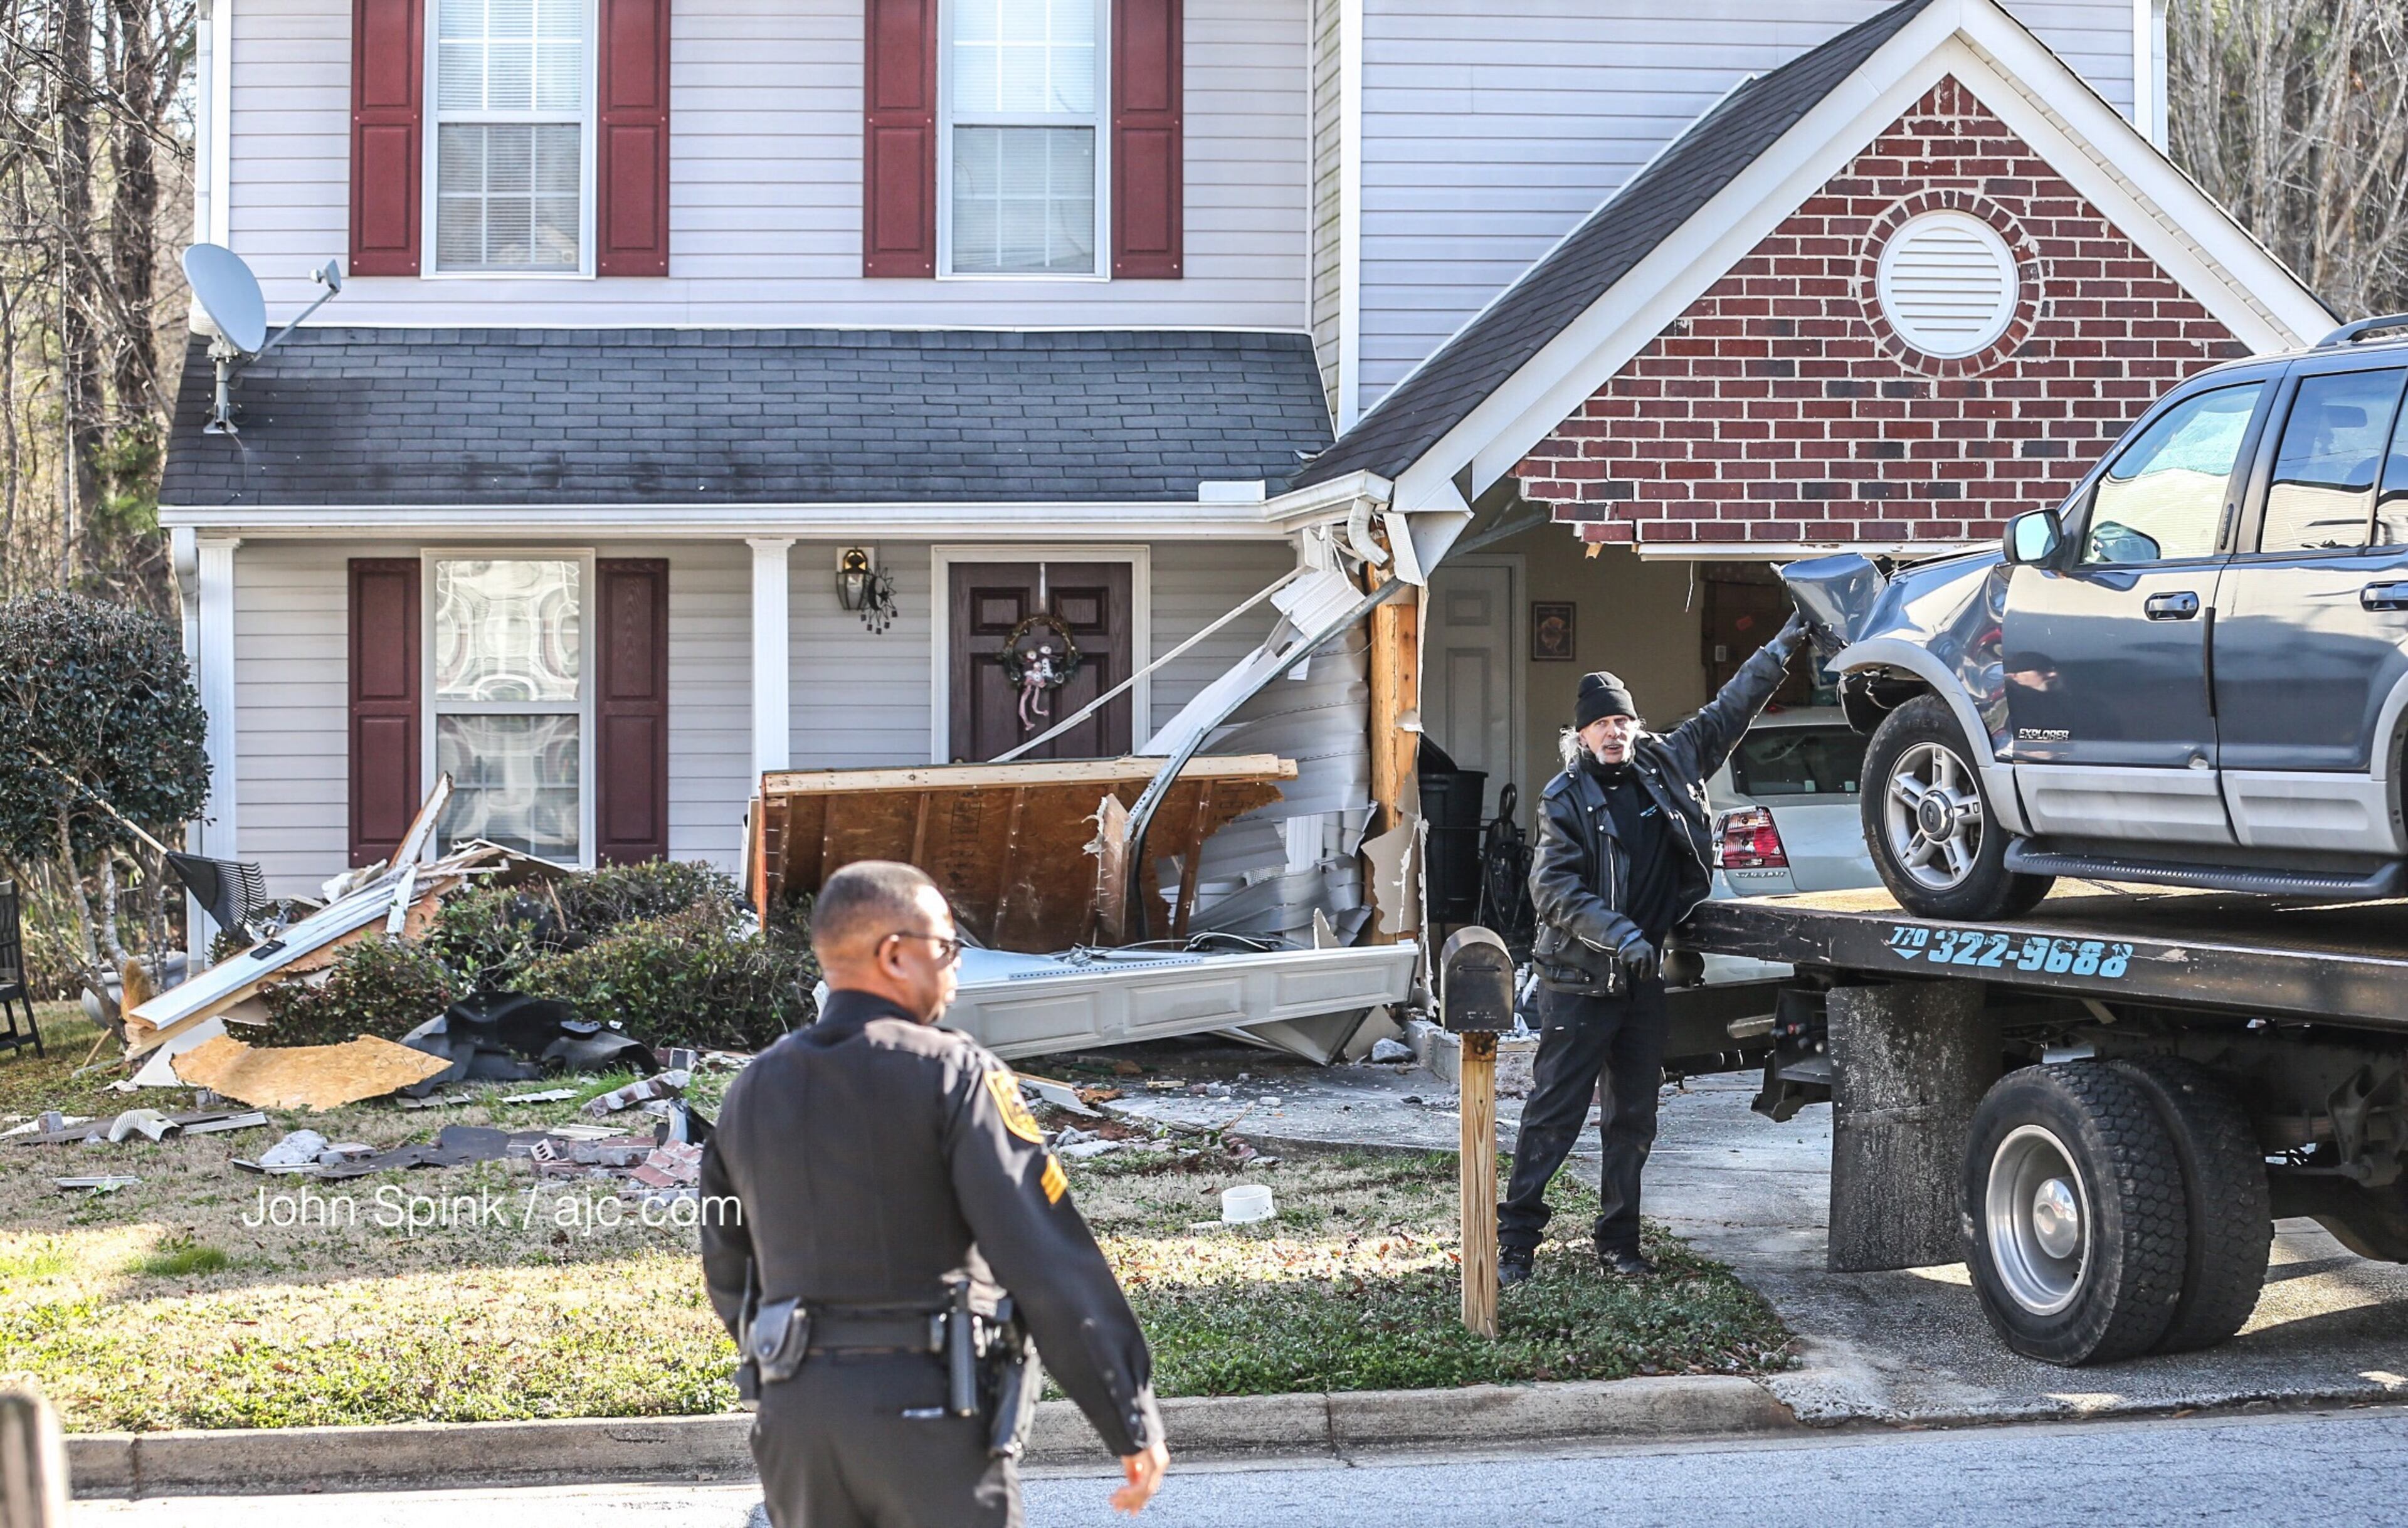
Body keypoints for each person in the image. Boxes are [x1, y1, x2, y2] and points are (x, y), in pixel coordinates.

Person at [700, 860, 1170, 1527]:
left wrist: (795, 1371)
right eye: (947, 947)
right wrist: (1129, 1412)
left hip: (797, 1424)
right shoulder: (954, 1074)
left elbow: (727, 1264)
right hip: (928, 1414)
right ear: (894, 954)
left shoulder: (749, 1091)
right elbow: (1044, 1256)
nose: (954, 967)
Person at [1498, 613, 1807, 1288]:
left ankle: (1618, 1243)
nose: (1615, 732)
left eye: (1623, 721)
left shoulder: (1668, 762)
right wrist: (1625, 936)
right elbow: (1553, 890)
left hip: (1642, 983)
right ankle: (1516, 1243)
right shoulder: (1564, 800)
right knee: (1554, 1115)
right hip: (1579, 979)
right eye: (1602, 724)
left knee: (1635, 1118)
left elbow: (1733, 707)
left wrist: (1787, 643)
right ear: (1581, 735)